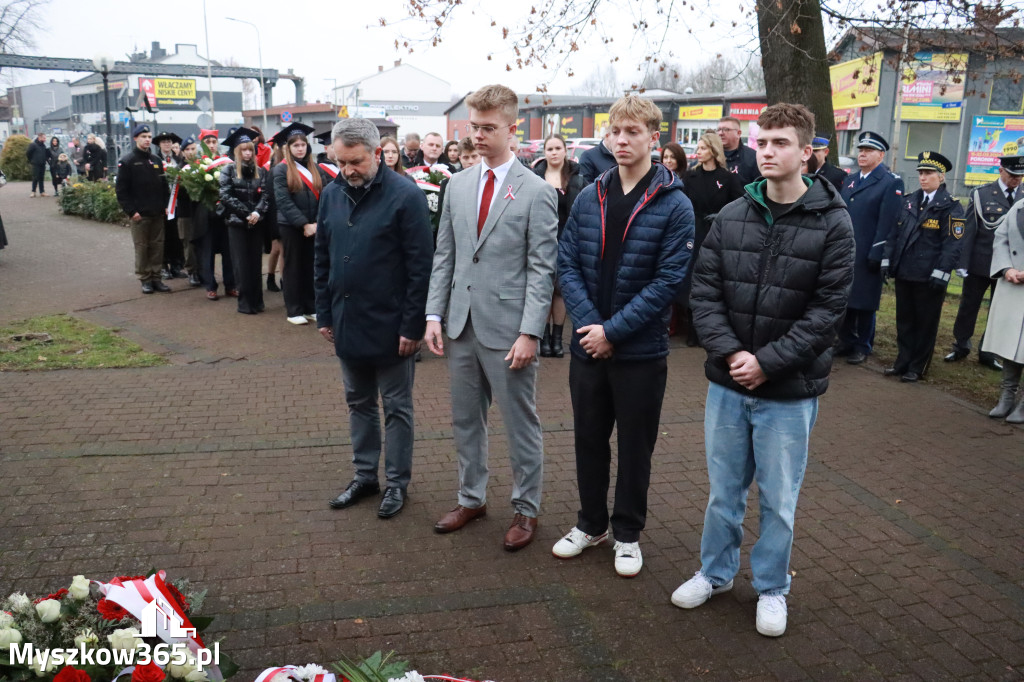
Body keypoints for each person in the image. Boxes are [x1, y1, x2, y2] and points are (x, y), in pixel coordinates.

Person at [673, 103, 854, 637]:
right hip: (729, 383)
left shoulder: (834, 222)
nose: (768, 151)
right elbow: (703, 293)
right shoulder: (731, 215)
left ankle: (772, 587)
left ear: (806, 152)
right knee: (723, 492)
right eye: (762, 142)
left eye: (780, 142)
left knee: (779, 498)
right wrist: (733, 355)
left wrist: (768, 363)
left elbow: (827, 311)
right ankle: (715, 573)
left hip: (789, 390)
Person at [553, 96, 694, 577]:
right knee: (588, 439)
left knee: (636, 446)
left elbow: (669, 281)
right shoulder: (589, 193)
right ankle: (591, 523)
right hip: (588, 348)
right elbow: (566, 263)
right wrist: (593, 327)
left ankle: (627, 533)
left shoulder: (676, 204)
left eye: (633, 132)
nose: (622, 140)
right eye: (615, 131)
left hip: (640, 352)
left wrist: (613, 331)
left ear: (654, 137)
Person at [424, 84, 558, 551]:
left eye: (487, 128)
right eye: (472, 127)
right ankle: (471, 497)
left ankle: (526, 509)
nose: (477, 136)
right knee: (465, 420)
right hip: (460, 323)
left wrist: (530, 332)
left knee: (520, 423)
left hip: (508, 331)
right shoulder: (457, 185)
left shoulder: (537, 191)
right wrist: (434, 314)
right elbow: (445, 255)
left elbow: (542, 270)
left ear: (511, 129)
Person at [316, 118, 434, 518]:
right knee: (358, 402)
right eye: (341, 162)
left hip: (392, 326)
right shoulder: (332, 194)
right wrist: (324, 312)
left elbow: (421, 268)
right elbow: (322, 258)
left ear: (378, 154)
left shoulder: (405, 196)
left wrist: (412, 325)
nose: (348, 170)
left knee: (396, 407)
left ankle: (397, 484)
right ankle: (365, 476)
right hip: (347, 319)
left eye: (356, 162)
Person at [881, 151, 965, 383]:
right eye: (920, 173)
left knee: (925, 324)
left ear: (941, 177)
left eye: (928, 173)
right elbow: (893, 234)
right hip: (905, 272)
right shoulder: (909, 201)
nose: (922, 177)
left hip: (929, 277)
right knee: (905, 321)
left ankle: (917, 367)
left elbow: (953, 245)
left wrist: (942, 273)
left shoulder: (950, 207)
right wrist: (887, 261)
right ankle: (903, 362)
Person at [946, 155, 1024, 369]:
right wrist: (963, 262)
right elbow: (970, 230)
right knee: (968, 306)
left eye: (1020, 176)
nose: (1016, 180)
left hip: (1009, 266)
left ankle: (988, 351)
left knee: (998, 310)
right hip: (981, 262)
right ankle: (960, 345)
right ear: (1001, 171)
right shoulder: (982, 194)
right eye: (1012, 175)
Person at [838, 131, 904, 365]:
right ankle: (845, 340)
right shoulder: (851, 179)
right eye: (860, 150)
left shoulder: (890, 181)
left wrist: (878, 251)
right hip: (846, 249)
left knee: (865, 302)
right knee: (845, 298)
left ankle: (863, 345)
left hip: (869, 250)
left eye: (868, 150)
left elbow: (888, 221)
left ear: (881, 155)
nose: (862, 154)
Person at [679, 132, 744, 346]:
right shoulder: (690, 176)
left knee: (714, 281)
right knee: (693, 281)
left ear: (714, 151)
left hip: (718, 234)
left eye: (703, 148)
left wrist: (722, 215)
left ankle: (712, 329)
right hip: (694, 233)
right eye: (697, 148)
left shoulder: (728, 178)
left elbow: (740, 204)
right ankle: (691, 329)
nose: (698, 152)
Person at [534, 134, 586, 358]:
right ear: (544, 152)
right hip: (541, 243)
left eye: (558, 148)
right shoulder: (535, 178)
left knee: (561, 292)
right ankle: (543, 339)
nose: (554, 152)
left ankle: (557, 340)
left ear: (565, 151)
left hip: (567, 243)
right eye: (549, 149)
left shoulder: (577, 178)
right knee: (543, 290)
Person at [272, 122, 326, 325]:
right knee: (293, 267)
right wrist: (304, 224)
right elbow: (284, 201)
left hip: (314, 225)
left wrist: (317, 222)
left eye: (303, 145)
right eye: (296, 145)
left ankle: (311, 306)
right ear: (289, 148)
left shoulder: (316, 169)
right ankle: (294, 309)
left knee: (312, 267)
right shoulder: (280, 170)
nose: (300, 148)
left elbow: (324, 197)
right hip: (291, 226)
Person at [981, 193, 1024, 422]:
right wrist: (1006, 269)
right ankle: (1007, 396)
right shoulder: (1019, 206)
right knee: (1011, 344)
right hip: (1013, 285)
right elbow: (1001, 238)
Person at [115, 124, 170, 294]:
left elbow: (164, 187)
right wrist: (131, 211)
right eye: (143, 136)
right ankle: (145, 279)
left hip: (157, 212)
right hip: (140, 215)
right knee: (142, 247)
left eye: (148, 136)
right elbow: (121, 191)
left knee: (157, 246)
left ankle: (156, 278)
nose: (147, 139)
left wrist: (166, 206)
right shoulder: (128, 161)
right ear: (135, 138)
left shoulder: (156, 160)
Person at [220, 127, 269, 315]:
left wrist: (257, 212)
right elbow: (226, 195)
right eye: (244, 150)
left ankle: (258, 302)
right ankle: (245, 303)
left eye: (250, 149)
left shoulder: (261, 172)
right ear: (237, 152)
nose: (248, 153)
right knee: (241, 264)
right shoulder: (228, 170)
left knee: (255, 264)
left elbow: (266, 195)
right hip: (237, 224)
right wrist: (246, 213)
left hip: (256, 223)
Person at [195, 128, 236, 301]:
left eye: (214, 142)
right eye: (208, 142)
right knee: (208, 252)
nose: (211, 145)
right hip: (206, 216)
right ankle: (210, 286)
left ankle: (231, 285)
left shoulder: (225, 163)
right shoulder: (196, 165)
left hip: (224, 215)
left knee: (229, 252)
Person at [154, 131, 186, 280]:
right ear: (159, 144)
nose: (167, 144)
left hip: (178, 204)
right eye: (164, 141)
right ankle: (163, 266)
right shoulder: (155, 160)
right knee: (164, 236)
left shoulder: (178, 159)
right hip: (163, 205)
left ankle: (176, 266)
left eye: (169, 141)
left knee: (176, 236)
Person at [174, 137, 203, 287]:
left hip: (200, 211)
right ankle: (192, 271)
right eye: (187, 150)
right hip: (186, 212)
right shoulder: (179, 169)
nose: (191, 152)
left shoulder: (202, 166)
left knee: (201, 242)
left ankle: (202, 270)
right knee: (189, 243)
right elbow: (178, 193)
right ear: (183, 152)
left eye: (193, 148)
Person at [717, 116, 759, 184]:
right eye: (719, 129)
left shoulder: (753, 157)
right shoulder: (711, 155)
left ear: (738, 133)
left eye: (726, 129)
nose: (720, 133)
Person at [26, 133, 48, 197]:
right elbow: (28, 153)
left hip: (42, 164)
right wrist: (32, 160)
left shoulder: (43, 146)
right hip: (35, 164)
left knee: (41, 178)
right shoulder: (33, 145)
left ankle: (42, 191)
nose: (45, 139)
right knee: (35, 177)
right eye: (44, 138)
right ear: (39, 138)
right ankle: (33, 191)